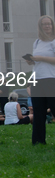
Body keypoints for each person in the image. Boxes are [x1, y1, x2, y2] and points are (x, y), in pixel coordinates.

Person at [26, 15, 55, 145]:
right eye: (44, 24)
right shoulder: (37, 42)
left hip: (51, 79)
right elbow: (36, 62)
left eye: (49, 24)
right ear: (40, 26)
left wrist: (41, 58)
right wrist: (31, 60)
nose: (47, 26)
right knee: (38, 111)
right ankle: (38, 141)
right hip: (37, 79)